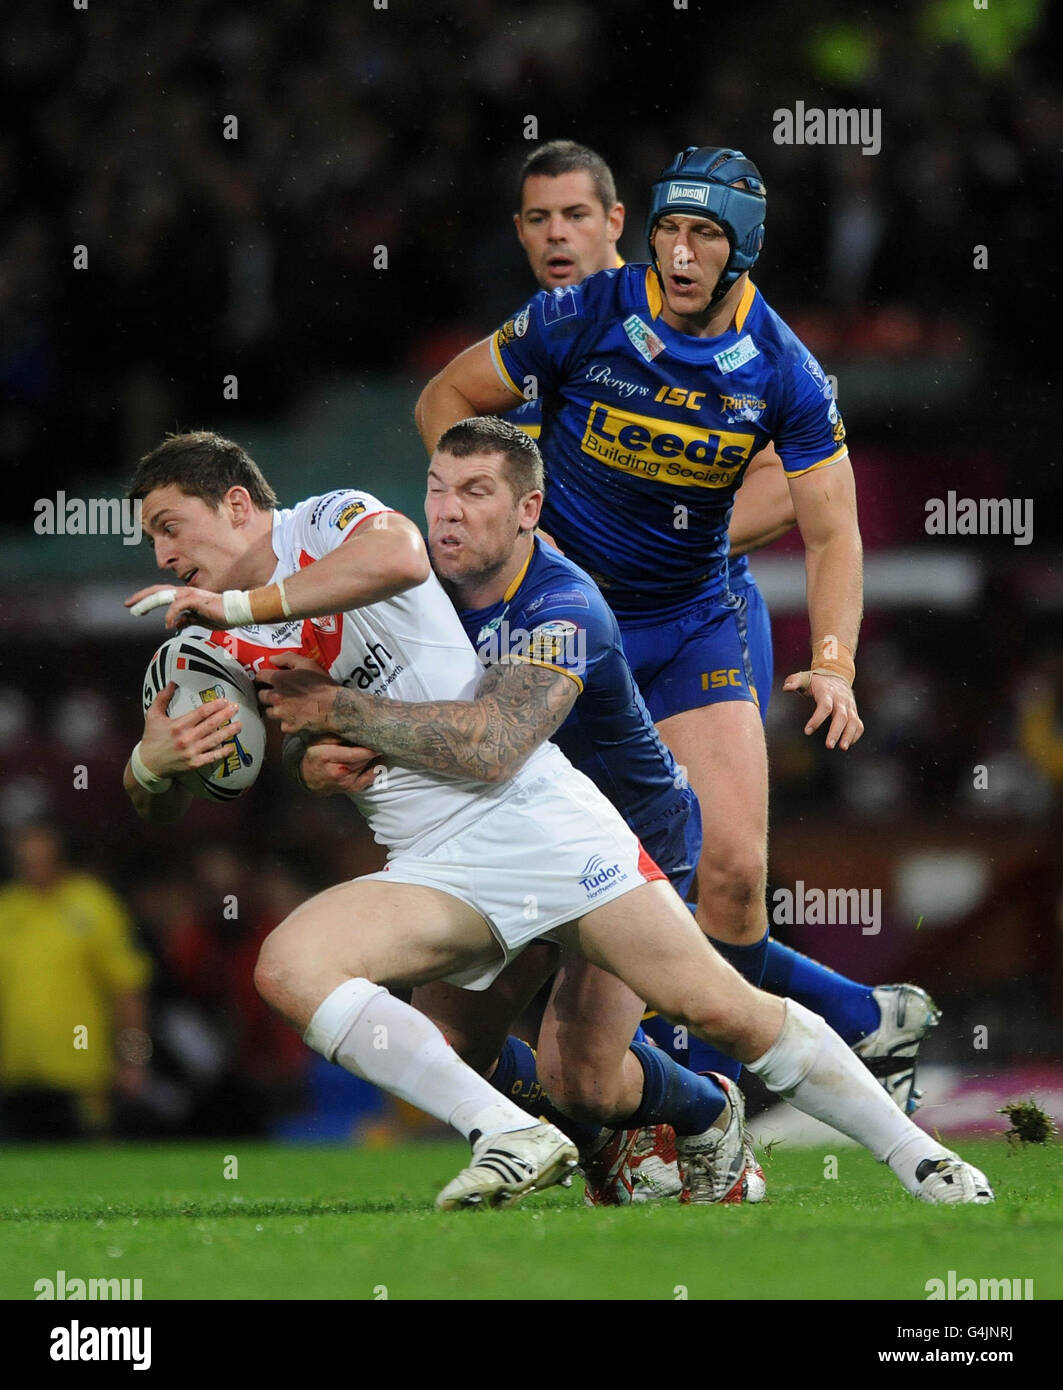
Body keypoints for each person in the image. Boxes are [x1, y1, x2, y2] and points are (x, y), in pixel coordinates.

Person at [121, 430, 993, 1209]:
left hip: (545, 824)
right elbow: (199, 787)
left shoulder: (325, 525)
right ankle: (510, 1135)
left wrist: (287, 662)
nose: (162, 556)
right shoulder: (212, 650)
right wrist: (147, 768)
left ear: (238, 504)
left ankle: (919, 1160)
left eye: (168, 526)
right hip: (429, 856)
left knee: (714, 1013)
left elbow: (398, 564)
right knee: (292, 966)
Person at [418, 140, 941, 1113]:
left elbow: (830, 526)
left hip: (690, 622)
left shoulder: (784, 369)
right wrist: (474, 515)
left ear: (739, 248)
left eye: (704, 234)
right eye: (672, 231)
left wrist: (833, 663)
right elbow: (444, 397)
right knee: (473, 1004)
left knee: (731, 877)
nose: (683, 253)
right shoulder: (582, 315)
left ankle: (701, 1101)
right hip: (565, 632)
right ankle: (816, 1038)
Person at [0, 820, 150, 1139]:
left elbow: (127, 989)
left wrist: (133, 1059)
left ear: (61, 859)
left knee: (87, 1172)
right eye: (27, 861)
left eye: (43, 860)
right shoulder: (7, 908)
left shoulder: (92, 903)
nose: (35, 869)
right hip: (16, 1074)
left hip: (80, 1075)